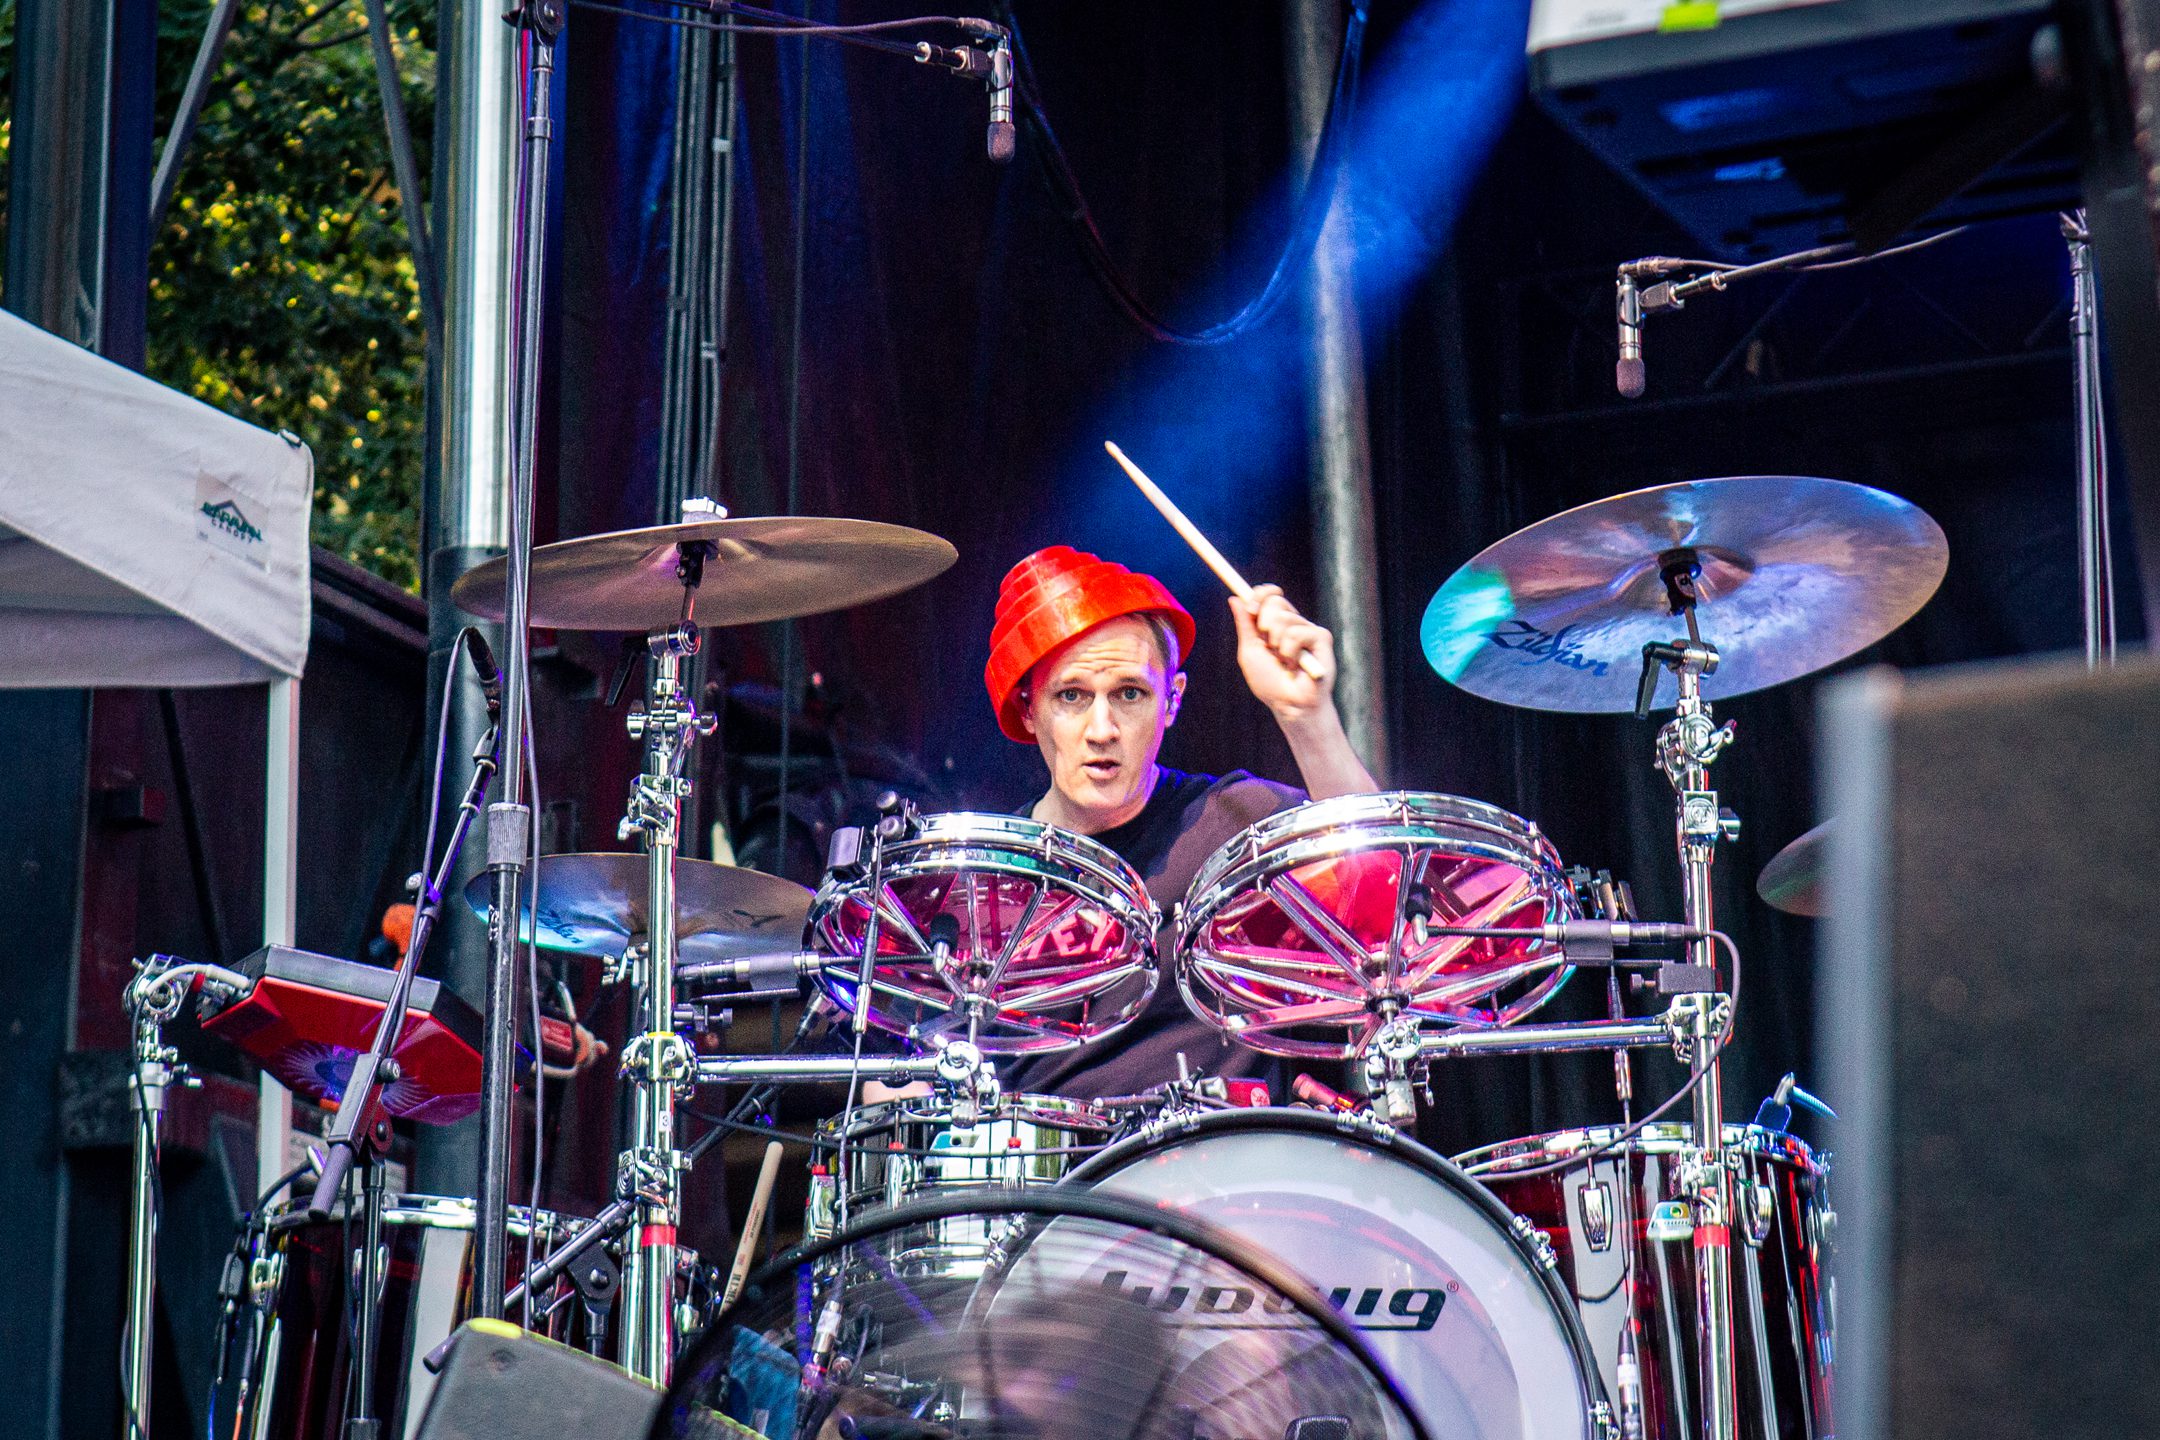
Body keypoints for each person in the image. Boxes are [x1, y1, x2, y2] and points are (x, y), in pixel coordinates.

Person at [985, 545, 1377, 1099]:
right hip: (1049, 1179)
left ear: (1172, 699)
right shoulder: (978, 888)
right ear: (1028, 708)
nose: (1103, 729)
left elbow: (1383, 900)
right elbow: (906, 1082)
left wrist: (1306, 717)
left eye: (1130, 694)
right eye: (1071, 696)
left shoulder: (1240, 826)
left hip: (1226, 1168)